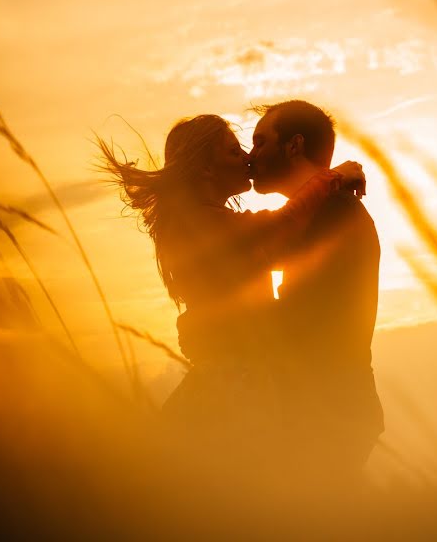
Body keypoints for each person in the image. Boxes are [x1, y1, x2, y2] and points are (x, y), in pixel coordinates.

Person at [97, 114, 366, 474]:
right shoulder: (200, 223)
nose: (247, 158)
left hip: (242, 379)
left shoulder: (213, 224)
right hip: (232, 384)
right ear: (207, 170)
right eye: (233, 150)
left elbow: (285, 247)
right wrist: (331, 177)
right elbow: (283, 225)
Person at [248, 100, 384, 483]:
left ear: (293, 146)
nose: (250, 155)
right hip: (332, 404)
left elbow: (300, 317)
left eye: (260, 142)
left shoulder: (332, 214)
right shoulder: (328, 209)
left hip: (327, 410)